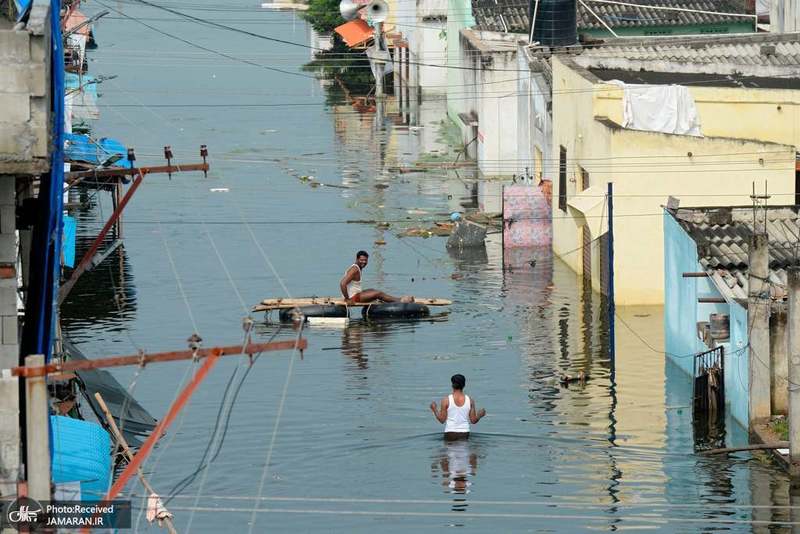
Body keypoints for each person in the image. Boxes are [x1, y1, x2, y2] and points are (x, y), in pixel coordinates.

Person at [340, 250, 413, 304]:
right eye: (361, 260)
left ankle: (384, 299)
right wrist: (347, 299)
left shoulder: (357, 268)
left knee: (371, 290)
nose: (364, 262)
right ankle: (399, 300)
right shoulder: (354, 269)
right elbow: (342, 283)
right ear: (357, 259)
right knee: (378, 293)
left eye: (365, 260)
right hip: (353, 297)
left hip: (355, 294)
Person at [430, 374, 486, 440]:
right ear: (464, 385)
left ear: (452, 385)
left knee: (450, 449)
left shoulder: (446, 400)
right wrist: (479, 415)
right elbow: (473, 421)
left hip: (450, 433)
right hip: (464, 433)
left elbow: (442, 420)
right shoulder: (470, 400)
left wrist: (434, 409)